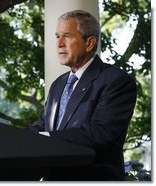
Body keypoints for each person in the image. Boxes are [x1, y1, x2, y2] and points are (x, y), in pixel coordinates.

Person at [29, 10, 137, 181]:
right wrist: (10, 136)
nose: (59, 43)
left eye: (67, 36)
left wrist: (46, 138)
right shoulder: (58, 85)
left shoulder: (116, 81)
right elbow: (43, 127)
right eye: (57, 36)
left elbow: (100, 133)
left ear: (89, 43)